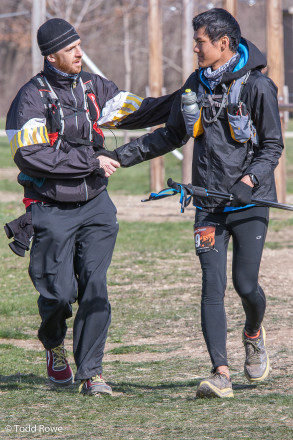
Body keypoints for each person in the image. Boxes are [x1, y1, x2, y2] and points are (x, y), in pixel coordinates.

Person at [108, 8, 284, 398]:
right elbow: (170, 135)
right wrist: (118, 157)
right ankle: (220, 373)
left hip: (248, 201)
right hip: (207, 203)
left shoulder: (258, 87)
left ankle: (253, 333)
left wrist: (249, 179)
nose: (194, 47)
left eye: (200, 41)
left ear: (224, 43)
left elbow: (273, 146)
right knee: (212, 286)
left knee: (245, 284)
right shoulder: (195, 84)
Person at [5, 18, 177, 396]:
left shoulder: (94, 88)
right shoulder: (30, 98)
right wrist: (90, 162)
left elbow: (139, 111)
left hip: (97, 206)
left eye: (79, 45)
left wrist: (187, 96)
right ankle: (53, 345)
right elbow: (30, 155)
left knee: (95, 287)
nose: (80, 53)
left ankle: (92, 373)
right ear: (51, 56)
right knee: (59, 294)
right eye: (71, 49)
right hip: (50, 208)